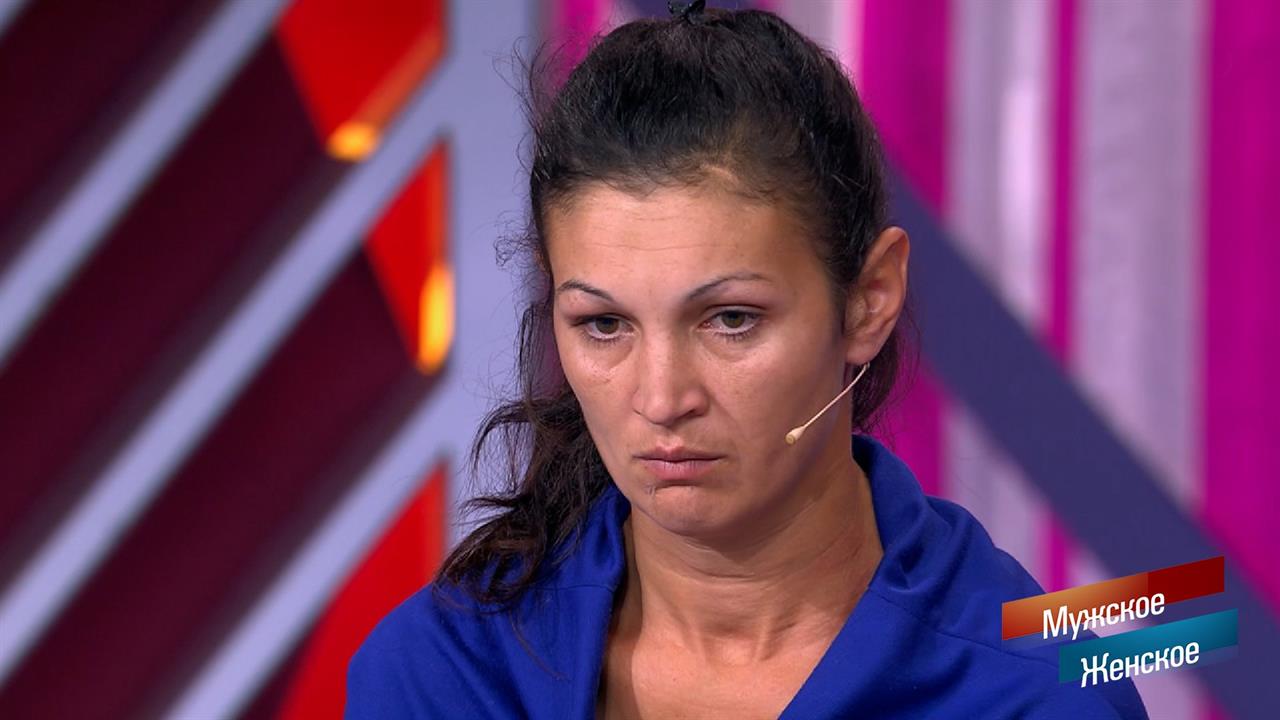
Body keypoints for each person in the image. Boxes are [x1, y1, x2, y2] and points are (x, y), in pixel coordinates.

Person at [345, 3, 1149, 718]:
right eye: (604, 324)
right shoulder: (443, 674)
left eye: (730, 319)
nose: (662, 397)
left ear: (869, 301)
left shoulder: (1034, 692)